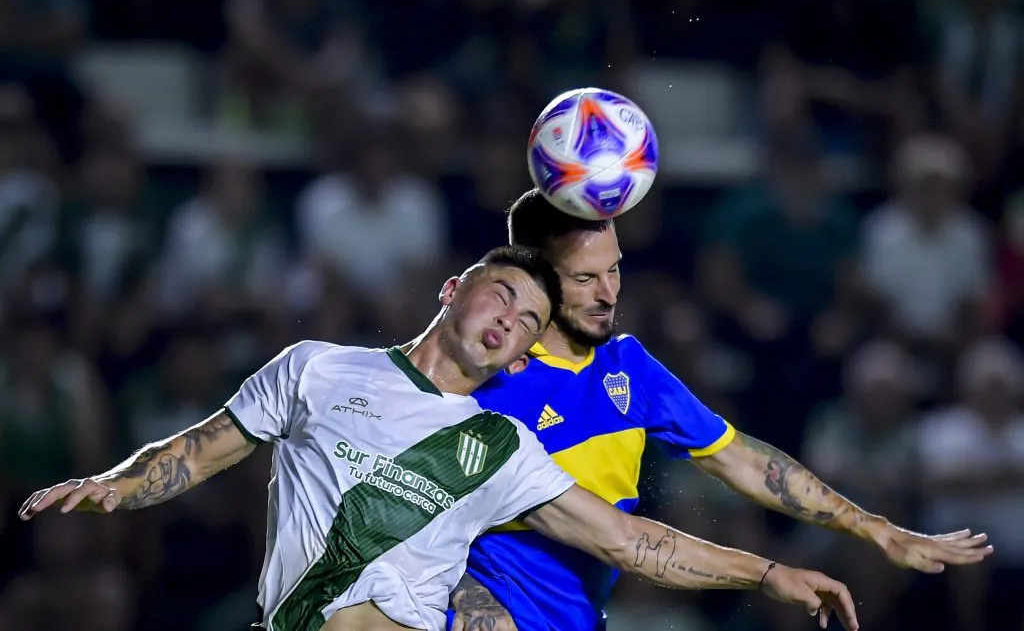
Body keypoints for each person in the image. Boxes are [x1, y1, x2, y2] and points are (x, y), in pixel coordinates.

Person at [18, 246, 860, 631]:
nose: (511, 324)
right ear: (455, 289)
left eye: (530, 323)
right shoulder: (319, 368)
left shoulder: (497, 443)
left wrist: (772, 570)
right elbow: (199, 450)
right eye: (502, 298)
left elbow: (629, 539)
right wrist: (117, 483)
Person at [449, 190, 995, 631]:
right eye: (585, 279)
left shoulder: (628, 368)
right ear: (539, 280)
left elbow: (744, 462)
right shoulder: (489, 379)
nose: (608, 293)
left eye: (614, 271)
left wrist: (875, 529)